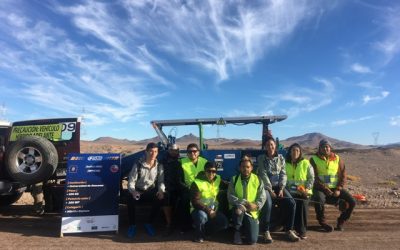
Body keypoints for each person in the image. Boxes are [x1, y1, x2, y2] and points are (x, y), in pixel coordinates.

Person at [257, 136, 299, 243]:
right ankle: (266, 231)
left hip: (279, 187)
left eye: (272, 144)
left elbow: (283, 174)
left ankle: (289, 229)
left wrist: (281, 188)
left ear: (275, 145)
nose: (270, 147)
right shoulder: (261, 158)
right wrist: (270, 191)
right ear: (265, 147)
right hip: (267, 188)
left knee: (291, 203)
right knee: (268, 204)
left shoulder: (281, 159)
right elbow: (263, 174)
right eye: (267, 145)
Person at [311, 139, 356, 232]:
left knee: (352, 202)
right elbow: (313, 178)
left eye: (327, 146)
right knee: (319, 200)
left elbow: (343, 175)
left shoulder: (337, 159)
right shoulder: (313, 159)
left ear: (330, 148)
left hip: (335, 188)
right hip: (320, 188)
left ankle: (341, 220)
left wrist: (338, 189)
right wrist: (326, 189)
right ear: (319, 148)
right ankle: (322, 222)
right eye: (323, 146)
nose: (325, 148)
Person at [126, 142, 166, 238]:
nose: (153, 154)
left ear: (157, 153)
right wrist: (133, 191)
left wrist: (161, 191)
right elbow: (131, 182)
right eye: (151, 151)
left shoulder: (159, 166)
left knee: (160, 198)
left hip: (151, 191)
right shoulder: (138, 165)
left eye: (155, 152)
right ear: (146, 152)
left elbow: (161, 181)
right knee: (129, 199)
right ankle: (132, 225)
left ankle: (149, 223)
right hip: (138, 191)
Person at [228, 155, 266, 245]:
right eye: (243, 167)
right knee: (238, 211)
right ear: (239, 168)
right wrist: (243, 204)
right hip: (238, 208)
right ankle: (237, 232)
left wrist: (256, 205)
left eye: (248, 167)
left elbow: (262, 196)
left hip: (251, 211)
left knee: (252, 240)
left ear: (252, 168)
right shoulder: (234, 179)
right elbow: (230, 196)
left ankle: (247, 228)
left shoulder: (258, 179)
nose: (245, 169)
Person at [190, 161, 228, 243]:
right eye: (209, 171)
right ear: (205, 171)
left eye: (214, 171)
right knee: (201, 216)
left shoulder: (218, 178)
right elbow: (195, 202)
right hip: (199, 209)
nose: (211, 173)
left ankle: (207, 232)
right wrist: (208, 210)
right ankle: (198, 235)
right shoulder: (197, 183)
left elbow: (227, 185)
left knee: (224, 223)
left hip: (213, 209)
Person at [285, 143, 315, 239]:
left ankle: (302, 230)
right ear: (289, 152)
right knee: (291, 203)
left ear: (300, 152)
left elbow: (311, 178)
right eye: (293, 150)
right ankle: (290, 229)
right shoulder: (285, 164)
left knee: (302, 204)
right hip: (290, 192)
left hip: (304, 192)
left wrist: (306, 189)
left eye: (297, 150)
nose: (295, 152)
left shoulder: (305, 163)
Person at [177, 143, 208, 232]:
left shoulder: (204, 162)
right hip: (187, 189)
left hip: (202, 189)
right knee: (185, 200)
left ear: (198, 152)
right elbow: (179, 180)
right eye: (190, 151)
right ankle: (186, 226)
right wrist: (187, 189)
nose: (192, 153)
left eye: (195, 151)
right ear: (187, 153)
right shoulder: (181, 162)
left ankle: (204, 224)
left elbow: (210, 176)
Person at [160, 143, 181, 236]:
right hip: (167, 186)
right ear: (168, 150)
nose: (173, 152)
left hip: (179, 186)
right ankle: (169, 224)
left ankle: (182, 222)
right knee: (167, 197)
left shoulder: (181, 161)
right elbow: (160, 176)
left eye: (176, 150)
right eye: (172, 150)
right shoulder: (163, 161)